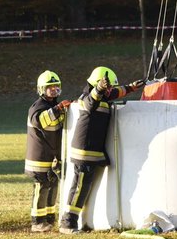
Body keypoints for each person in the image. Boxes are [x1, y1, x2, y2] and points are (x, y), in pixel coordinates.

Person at [59, 66, 144, 234]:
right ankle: (67, 223)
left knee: (82, 188)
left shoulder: (105, 95)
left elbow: (116, 92)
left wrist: (132, 87)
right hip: (84, 153)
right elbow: (92, 100)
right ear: (98, 84)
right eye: (108, 86)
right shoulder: (87, 98)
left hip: (92, 153)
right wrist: (99, 89)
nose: (110, 90)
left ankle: (71, 222)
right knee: (79, 188)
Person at [25, 70, 71, 233]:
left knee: (53, 185)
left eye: (56, 87)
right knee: (42, 186)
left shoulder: (53, 106)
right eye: (49, 87)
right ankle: (37, 222)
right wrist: (58, 108)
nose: (54, 90)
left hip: (51, 157)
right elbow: (39, 120)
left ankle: (49, 218)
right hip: (39, 157)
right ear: (41, 89)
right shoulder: (38, 107)